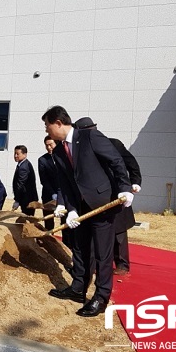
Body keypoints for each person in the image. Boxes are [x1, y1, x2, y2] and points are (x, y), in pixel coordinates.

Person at [42, 106, 133, 317]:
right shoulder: (57, 151)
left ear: (57, 122)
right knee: (80, 250)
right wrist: (70, 209)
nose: (46, 130)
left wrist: (125, 188)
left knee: (102, 253)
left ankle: (101, 297)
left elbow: (116, 160)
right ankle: (78, 289)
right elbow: (65, 182)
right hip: (80, 209)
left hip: (102, 204)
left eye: (47, 125)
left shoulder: (89, 136)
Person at [74, 117, 142, 276]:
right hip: (97, 196)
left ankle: (122, 264)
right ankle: (97, 265)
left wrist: (135, 182)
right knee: (99, 232)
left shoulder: (113, 143)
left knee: (119, 230)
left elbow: (131, 163)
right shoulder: (80, 149)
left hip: (118, 193)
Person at [38, 136, 60, 231]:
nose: (49, 147)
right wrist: (52, 193)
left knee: (65, 219)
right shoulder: (42, 160)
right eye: (46, 145)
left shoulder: (63, 157)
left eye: (51, 145)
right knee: (49, 221)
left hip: (63, 194)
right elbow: (44, 180)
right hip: (48, 194)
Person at [12, 145, 38, 216]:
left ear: (25, 154)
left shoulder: (24, 167)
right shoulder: (21, 164)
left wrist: (17, 200)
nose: (15, 156)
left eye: (18, 154)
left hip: (28, 199)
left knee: (28, 219)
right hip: (25, 198)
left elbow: (20, 184)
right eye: (15, 153)